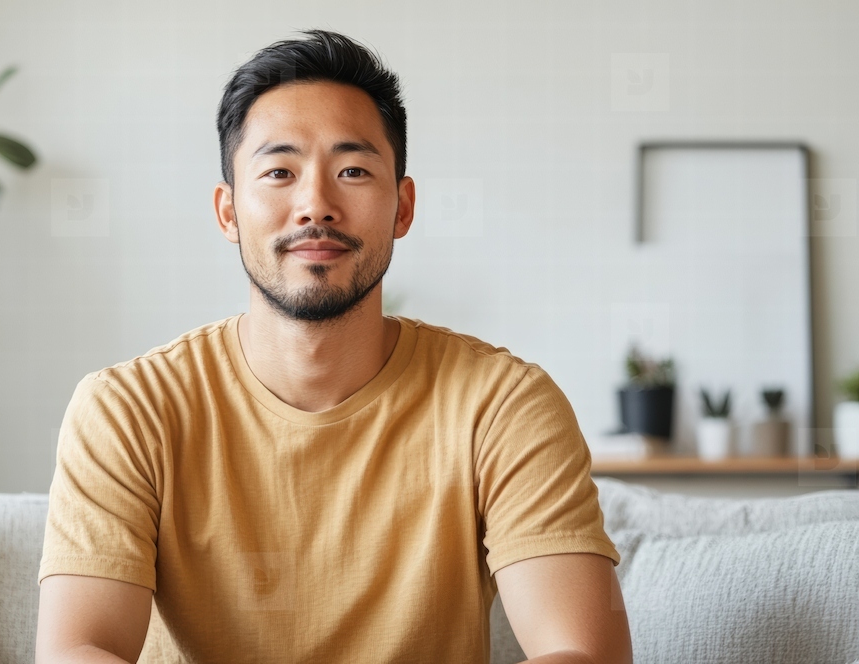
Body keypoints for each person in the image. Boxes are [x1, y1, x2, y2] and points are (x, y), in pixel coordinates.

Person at [35, 29, 631, 664]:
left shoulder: (502, 405)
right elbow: (81, 649)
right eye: (279, 172)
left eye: (352, 171)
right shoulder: (128, 408)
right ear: (229, 212)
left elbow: (581, 652)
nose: (315, 205)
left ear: (402, 207)